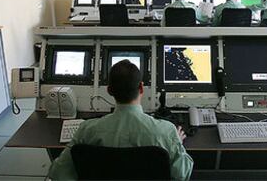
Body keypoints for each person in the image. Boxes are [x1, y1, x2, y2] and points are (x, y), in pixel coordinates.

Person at [48, 60, 193, 181]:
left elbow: (58, 174)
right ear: (141, 88)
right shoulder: (166, 131)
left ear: (109, 90)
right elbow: (182, 175)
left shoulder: (86, 130)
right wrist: (176, 143)